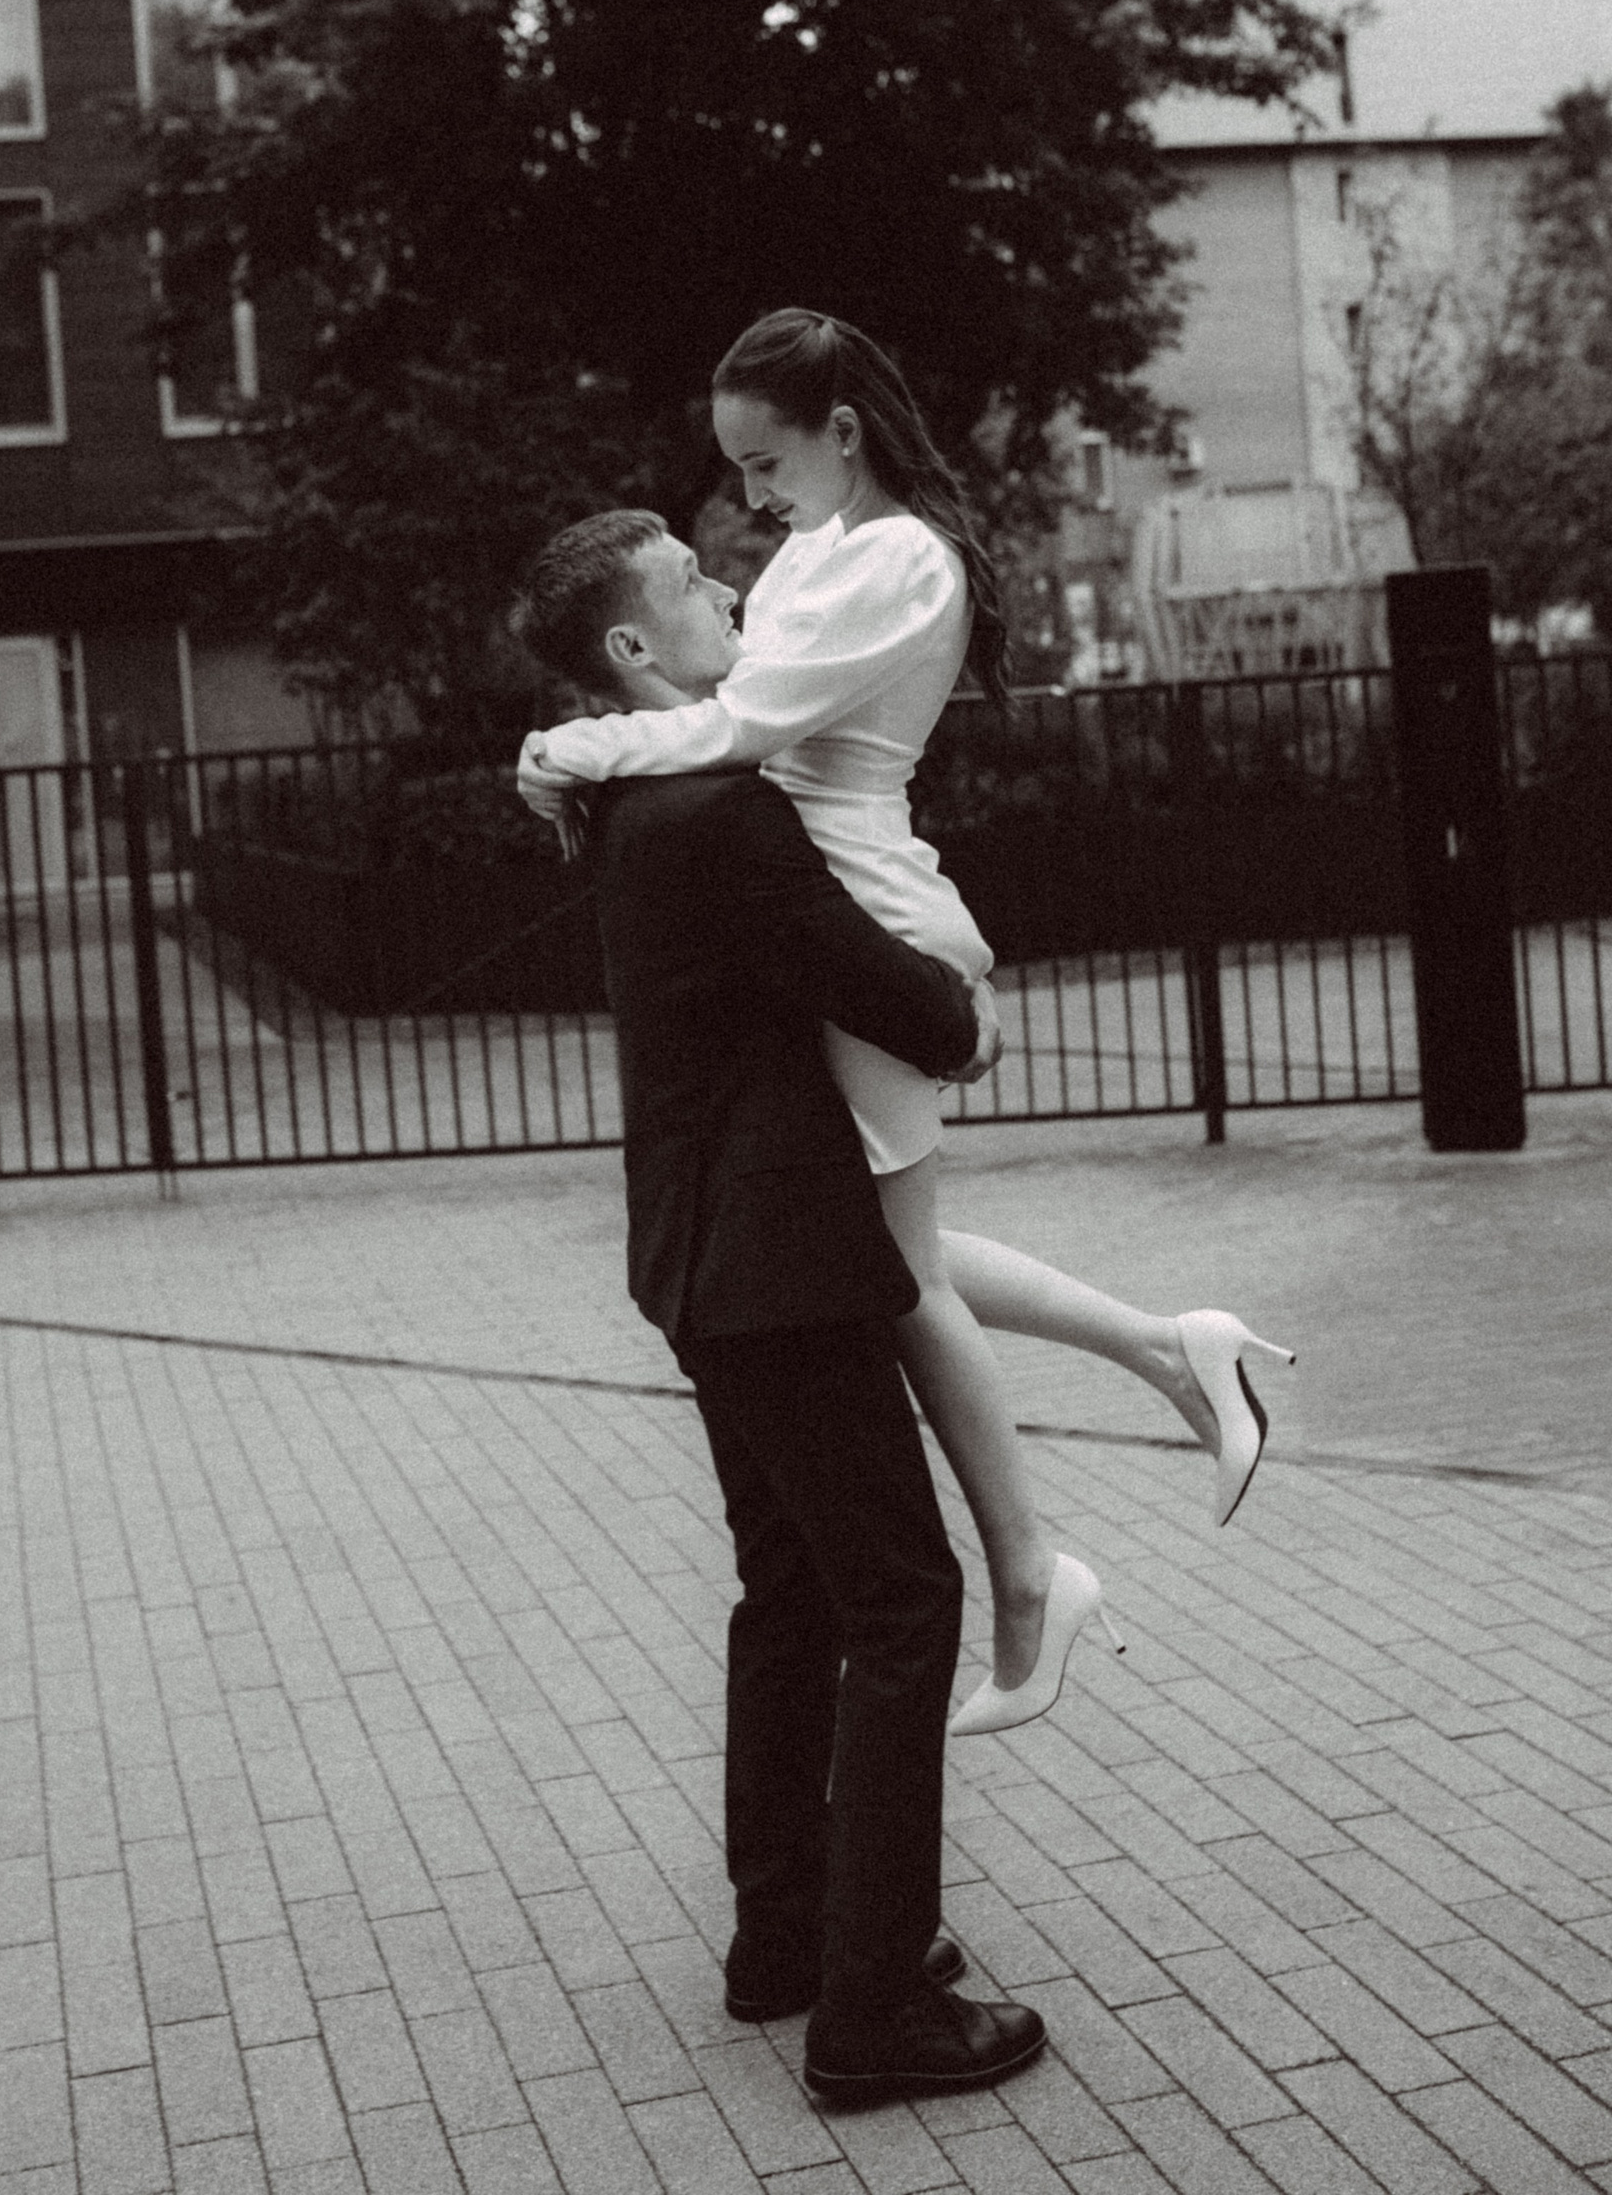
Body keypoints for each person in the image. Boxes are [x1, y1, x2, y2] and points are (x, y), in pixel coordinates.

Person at [519, 310, 1294, 1731]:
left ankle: (1031, 1577)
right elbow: (730, 712)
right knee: (905, 1252)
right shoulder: (821, 551)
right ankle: (1168, 1354)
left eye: (765, 463)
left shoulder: (898, 559)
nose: (749, 499)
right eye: (736, 471)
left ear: (841, 432)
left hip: (862, 901)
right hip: (835, 892)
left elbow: (741, 729)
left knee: (901, 1276)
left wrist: (573, 742)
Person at [512, 507, 1047, 2103]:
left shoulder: (632, 795)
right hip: (784, 1267)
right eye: (691, 579)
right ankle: (871, 2015)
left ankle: (786, 1937)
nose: (729, 586)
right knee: (904, 1601)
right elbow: (859, 974)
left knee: (795, 1591)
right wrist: (964, 1023)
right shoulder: (717, 809)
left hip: (707, 1263)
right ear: (633, 646)